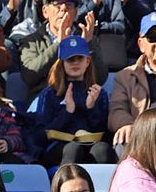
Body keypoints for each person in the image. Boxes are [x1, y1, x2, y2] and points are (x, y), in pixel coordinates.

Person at [27, 34, 117, 167]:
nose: (75, 63)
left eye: (80, 58)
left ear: (87, 61)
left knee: (102, 150)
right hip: (58, 147)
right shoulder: (49, 93)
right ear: (62, 63)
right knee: (73, 149)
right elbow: (40, 135)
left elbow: (104, 134)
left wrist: (91, 108)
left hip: (90, 145)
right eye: (70, 59)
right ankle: (66, 181)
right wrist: (67, 112)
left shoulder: (98, 93)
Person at [106, 13, 156, 147]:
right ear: (141, 44)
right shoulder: (125, 76)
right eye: (152, 38)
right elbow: (117, 110)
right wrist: (128, 125)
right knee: (122, 140)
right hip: (143, 139)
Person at [18, 0, 104, 101]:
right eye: (57, 4)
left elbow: (101, 77)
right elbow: (29, 75)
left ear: (75, 13)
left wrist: (87, 45)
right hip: (44, 101)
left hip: (80, 100)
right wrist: (58, 45)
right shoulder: (32, 41)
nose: (63, 9)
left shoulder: (87, 37)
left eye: (69, 5)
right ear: (45, 11)